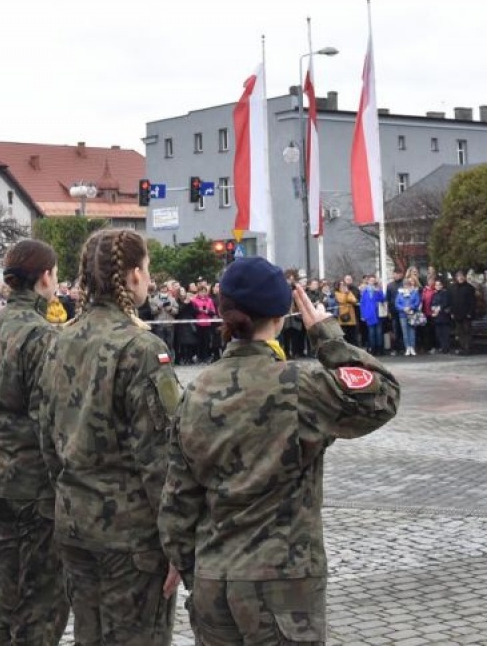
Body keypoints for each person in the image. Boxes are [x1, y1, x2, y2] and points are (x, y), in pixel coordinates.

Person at [159, 257, 400, 644]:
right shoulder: (299, 386)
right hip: (281, 585)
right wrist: (328, 337)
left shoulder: (197, 390)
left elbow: (177, 500)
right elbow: (382, 396)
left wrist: (195, 568)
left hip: (214, 582)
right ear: (281, 315)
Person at [38, 229, 182, 646]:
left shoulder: (59, 340)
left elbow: (47, 437)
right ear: (133, 276)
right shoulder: (140, 347)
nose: (150, 281)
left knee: (90, 635)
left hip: (75, 523)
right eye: (148, 270)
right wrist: (177, 541)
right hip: (130, 534)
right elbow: (160, 457)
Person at [0, 238, 70, 646]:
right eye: (56, 273)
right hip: (37, 485)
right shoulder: (43, 336)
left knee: (9, 589)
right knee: (43, 601)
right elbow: (51, 421)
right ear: (45, 277)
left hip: (0, 474)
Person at [394, 275, 422, 357]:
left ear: (410, 285)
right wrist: (403, 308)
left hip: (412, 314)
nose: (406, 286)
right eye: (405, 284)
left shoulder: (414, 292)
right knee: (405, 332)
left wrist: (410, 307)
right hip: (402, 315)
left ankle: (412, 347)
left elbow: (417, 302)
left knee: (412, 331)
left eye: (408, 284)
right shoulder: (400, 293)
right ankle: (407, 348)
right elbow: (397, 303)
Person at [357, 276, 384, 356]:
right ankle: (373, 348)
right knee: (371, 332)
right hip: (369, 314)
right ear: (368, 282)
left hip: (378, 314)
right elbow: (362, 304)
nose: (372, 282)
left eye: (373, 280)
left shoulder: (378, 290)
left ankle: (379, 348)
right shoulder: (365, 291)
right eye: (371, 280)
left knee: (379, 332)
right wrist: (362, 315)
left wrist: (378, 291)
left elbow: (383, 299)